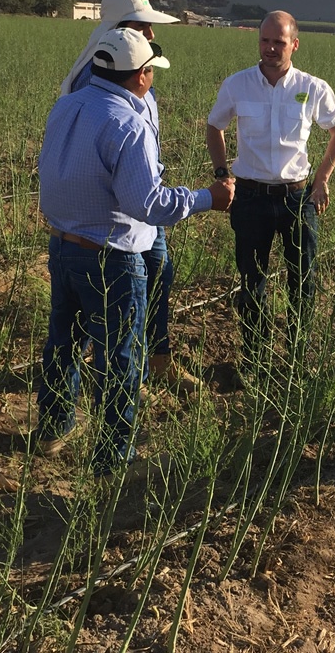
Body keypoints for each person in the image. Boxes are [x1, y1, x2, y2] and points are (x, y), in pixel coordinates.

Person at [38, 27, 234, 474]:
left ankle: (53, 427)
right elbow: (147, 204)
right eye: (151, 72)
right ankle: (114, 457)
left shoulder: (67, 104)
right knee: (120, 356)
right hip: (112, 257)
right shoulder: (129, 123)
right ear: (142, 76)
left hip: (63, 246)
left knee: (63, 342)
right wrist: (208, 198)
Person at [59, 0, 200, 391]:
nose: (151, 33)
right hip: (118, 217)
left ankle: (156, 360)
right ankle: (120, 378)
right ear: (119, 31)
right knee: (113, 298)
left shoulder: (128, 66)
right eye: (142, 26)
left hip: (140, 201)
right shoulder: (99, 76)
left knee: (157, 278)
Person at [205, 10, 335, 370]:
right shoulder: (237, 85)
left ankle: (297, 357)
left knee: (303, 280)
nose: (270, 48)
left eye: (279, 42)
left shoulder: (312, 87)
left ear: (294, 45)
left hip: (297, 199)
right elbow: (214, 127)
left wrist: (322, 179)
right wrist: (223, 174)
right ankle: (255, 358)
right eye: (265, 41)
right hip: (250, 198)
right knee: (251, 281)